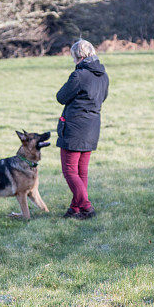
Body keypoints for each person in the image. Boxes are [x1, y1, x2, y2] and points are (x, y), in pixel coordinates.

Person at [55, 39, 109, 219]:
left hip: (74, 129)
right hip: (92, 127)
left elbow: (61, 97)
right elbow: (103, 97)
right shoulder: (103, 75)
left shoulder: (79, 75)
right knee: (81, 172)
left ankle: (86, 207)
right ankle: (74, 209)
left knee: (70, 171)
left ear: (77, 56)